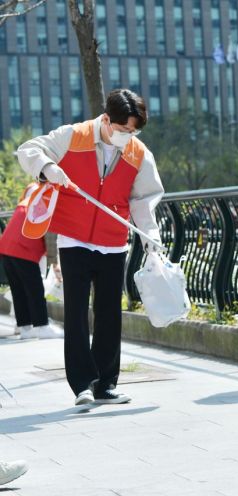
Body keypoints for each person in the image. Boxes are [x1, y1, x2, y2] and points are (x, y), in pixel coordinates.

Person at [17, 89, 164, 406]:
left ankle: (106, 385)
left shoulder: (139, 154)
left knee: (110, 313)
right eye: (124, 130)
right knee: (76, 312)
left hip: (113, 242)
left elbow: (143, 201)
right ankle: (82, 384)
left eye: (134, 131)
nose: (129, 137)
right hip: (74, 239)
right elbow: (28, 150)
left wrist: (150, 237)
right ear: (107, 120)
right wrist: (47, 168)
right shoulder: (73, 136)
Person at [0, 183, 63, 339]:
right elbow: (50, 236)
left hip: (6, 248)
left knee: (19, 290)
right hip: (23, 249)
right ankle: (42, 326)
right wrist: (54, 263)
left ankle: (25, 328)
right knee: (35, 289)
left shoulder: (32, 200)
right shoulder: (49, 203)